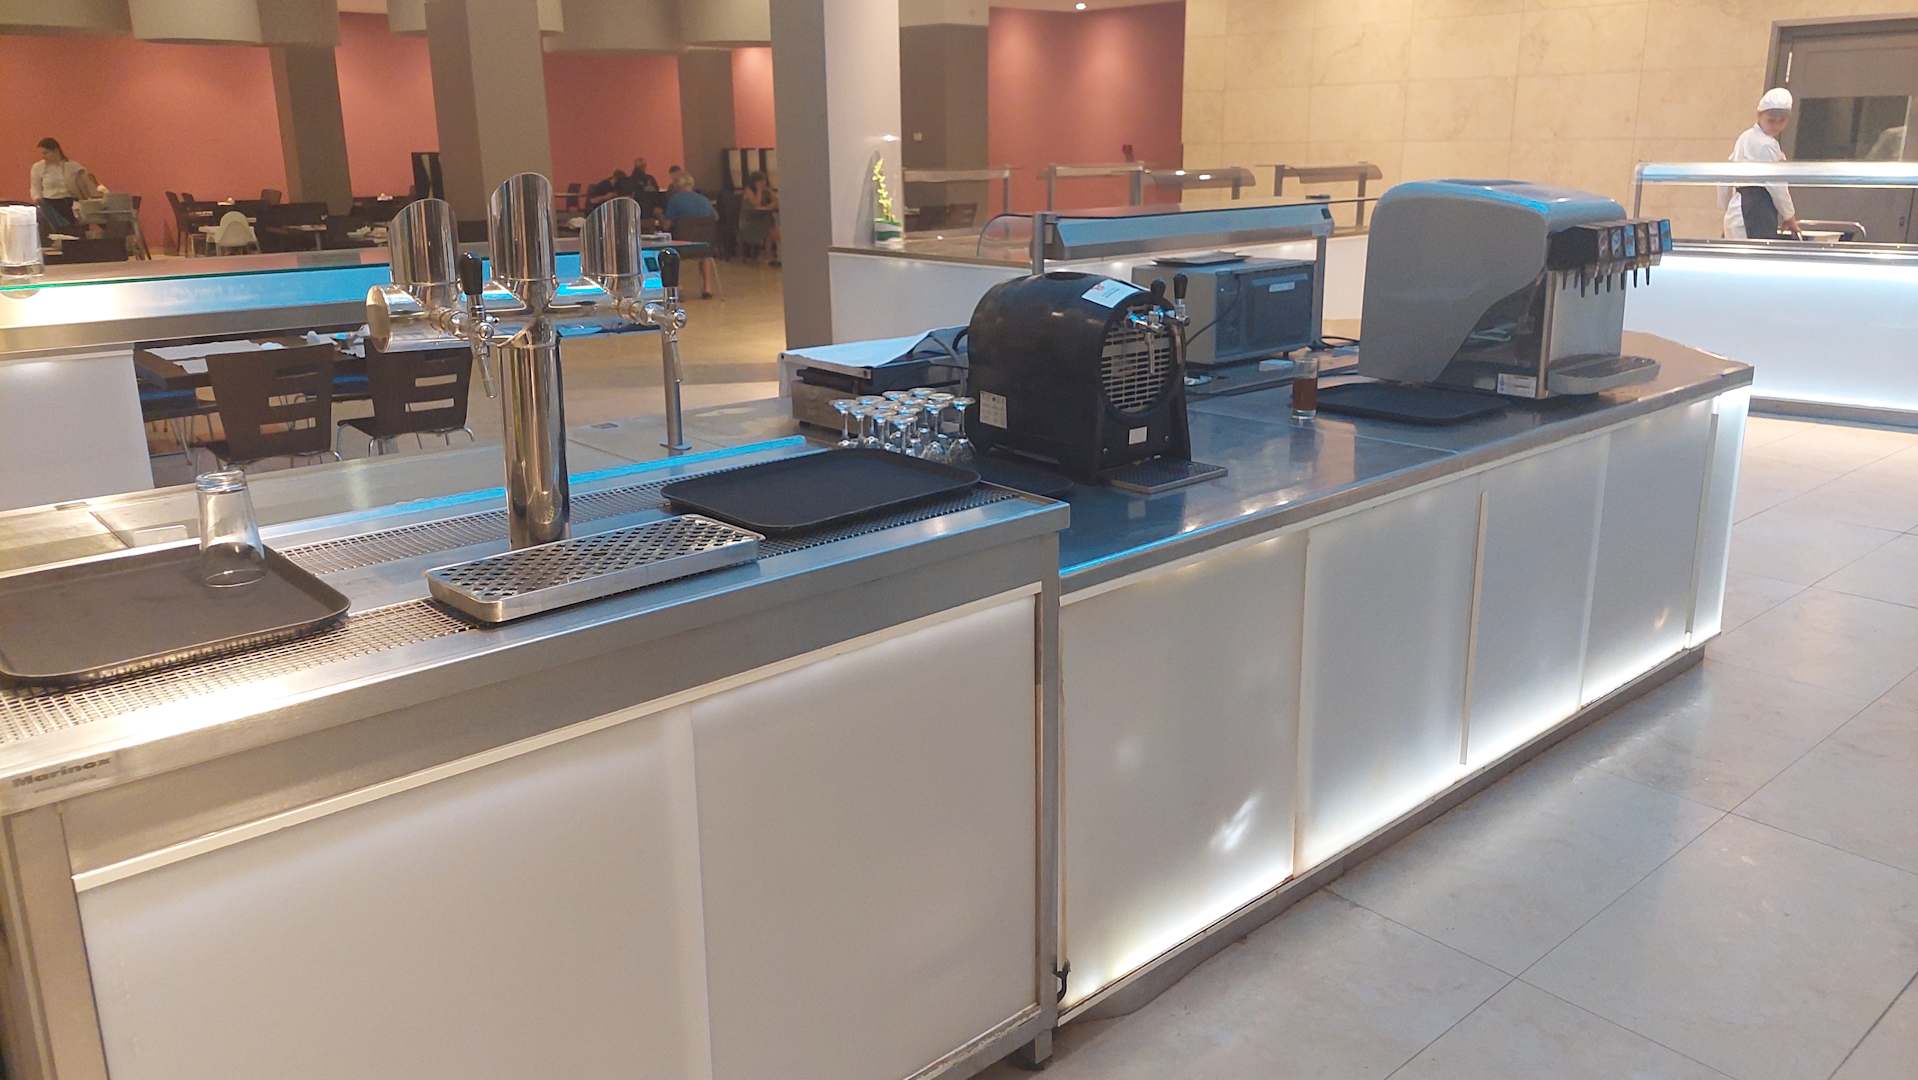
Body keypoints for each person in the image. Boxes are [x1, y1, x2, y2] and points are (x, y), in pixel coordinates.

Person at [1720, 88, 1801, 240]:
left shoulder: (1744, 137)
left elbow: (1724, 178)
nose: (1776, 126)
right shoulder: (1766, 145)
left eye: (1781, 121)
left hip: (1736, 209)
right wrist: (1789, 216)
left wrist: (1726, 208)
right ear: (1759, 115)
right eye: (1771, 120)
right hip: (1755, 210)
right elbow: (1777, 186)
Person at [662, 173, 720, 299]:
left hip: (683, 246)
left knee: (669, 252)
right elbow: (715, 217)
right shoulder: (704, 199)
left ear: (677, 186)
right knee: (705, 255)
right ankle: (707, 288)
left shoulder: (675, 200)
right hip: (705, 246)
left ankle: (677, 287)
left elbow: (666, 225)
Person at [29, 137, 99, 233]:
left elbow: (85, 183)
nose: (43, 156)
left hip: (70, 204)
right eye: (42, 153)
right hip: (50, 204)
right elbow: (35, 186)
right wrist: (37, 198)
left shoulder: (73, 166)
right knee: (55, 232)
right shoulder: (37, 167)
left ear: (56, 151)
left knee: (75, 232)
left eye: (46, 153)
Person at [737, 170, 780, 267]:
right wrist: (759, 190)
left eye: (764, 180)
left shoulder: (767, 190)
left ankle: (771, 254)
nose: (763, 183)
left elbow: (776, 202)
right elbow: (756, 204)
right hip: (749, 222)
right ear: (755, 182)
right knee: (770, 226)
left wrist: (769, 205)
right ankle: (769, 255)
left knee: (771, 223)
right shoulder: (748, 190)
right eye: (761, 181)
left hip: (761, 219)